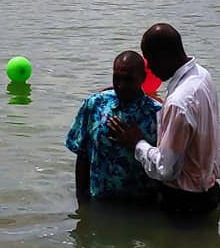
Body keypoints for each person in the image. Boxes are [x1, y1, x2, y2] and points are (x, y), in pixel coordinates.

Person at [108, 23, 220, 214]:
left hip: (184, 200)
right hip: (209, 190)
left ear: (164, 56)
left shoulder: (178, 102)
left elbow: (165, 169)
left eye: (150, 59)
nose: (149, 67)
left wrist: (136, 143)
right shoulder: (202, 76)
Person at [66, 51, 160, 203]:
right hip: (99, 199)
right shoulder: (95, 104)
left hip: (142, 205)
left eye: (128, 80)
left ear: (143, 78)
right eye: (117, 78)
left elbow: (164, 165)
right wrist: (82, 203)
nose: (121, 85)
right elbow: (82, 154)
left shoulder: (157, 114)